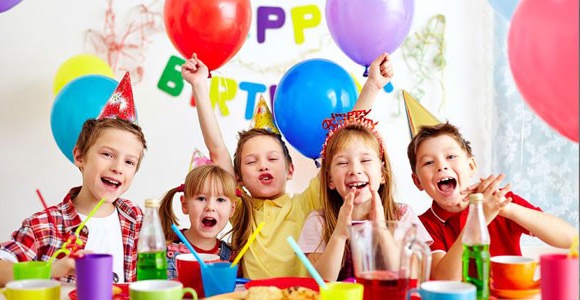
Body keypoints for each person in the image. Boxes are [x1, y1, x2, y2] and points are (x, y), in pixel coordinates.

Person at [181, 53, 394, 279]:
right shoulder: (241, 210)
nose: (263, 166)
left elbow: (341, 142)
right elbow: (217, 150)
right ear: (238, 178)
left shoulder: (306, 205)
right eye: (252, 162)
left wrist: (372, 86)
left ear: (290, 170)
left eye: (272, 159)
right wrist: (199, 85)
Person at [0, 117, 147, 289]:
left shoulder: (136, 218)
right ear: (79, 156)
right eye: (107, 154)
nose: (118, 168)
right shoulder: (44, 225)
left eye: (129, 162)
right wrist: (52, 269)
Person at [407, 122, 577, 280]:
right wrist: (479, 219)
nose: (441, 166)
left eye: (451, 156)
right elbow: (444, 280)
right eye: (429, 162)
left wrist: (506, 208)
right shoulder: (422, 226)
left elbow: (570, 239)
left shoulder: (500, 202)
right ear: (417, 182)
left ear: (471, 166)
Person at [297, 111, 432, 281]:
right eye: (342, 163)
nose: (355, 170)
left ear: (383, 174)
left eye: (365, 160)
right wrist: (339, 234)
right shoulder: (318, 221)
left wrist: (381, 230)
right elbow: (320, 282)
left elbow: (410, 277)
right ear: (330, 179)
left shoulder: (403, 215)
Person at [159, 164, 246, 279]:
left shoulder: (231, 259)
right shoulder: (162, 248)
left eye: (220, 200)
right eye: (201, 198)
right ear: (185, 205)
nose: (210, 207)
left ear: (232, 209)